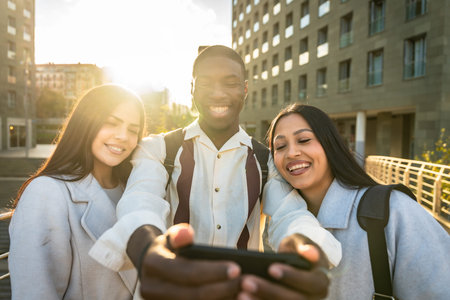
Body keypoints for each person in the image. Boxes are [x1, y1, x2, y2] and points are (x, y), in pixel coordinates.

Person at [90, 45, 341, 299]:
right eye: (206, 83)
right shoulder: (159, 149)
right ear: (192, 89)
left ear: (244, 89)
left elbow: (290, 215)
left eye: (230, 83)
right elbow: (140, 201)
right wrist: (147, 248)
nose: (218, 93)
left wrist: (308, 247)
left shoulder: (265, 160)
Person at [266, 103, 450, 300]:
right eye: (280, 146)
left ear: (330, 144)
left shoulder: (393, 210)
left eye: (304, 140)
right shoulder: (277, 222)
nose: (291, 153)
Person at [9, 84, 146, 300]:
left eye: (133, 129)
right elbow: (35, 292)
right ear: (85, 124)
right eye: (111, 123)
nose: (123, 136)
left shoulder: (135, 190)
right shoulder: (46, 192)